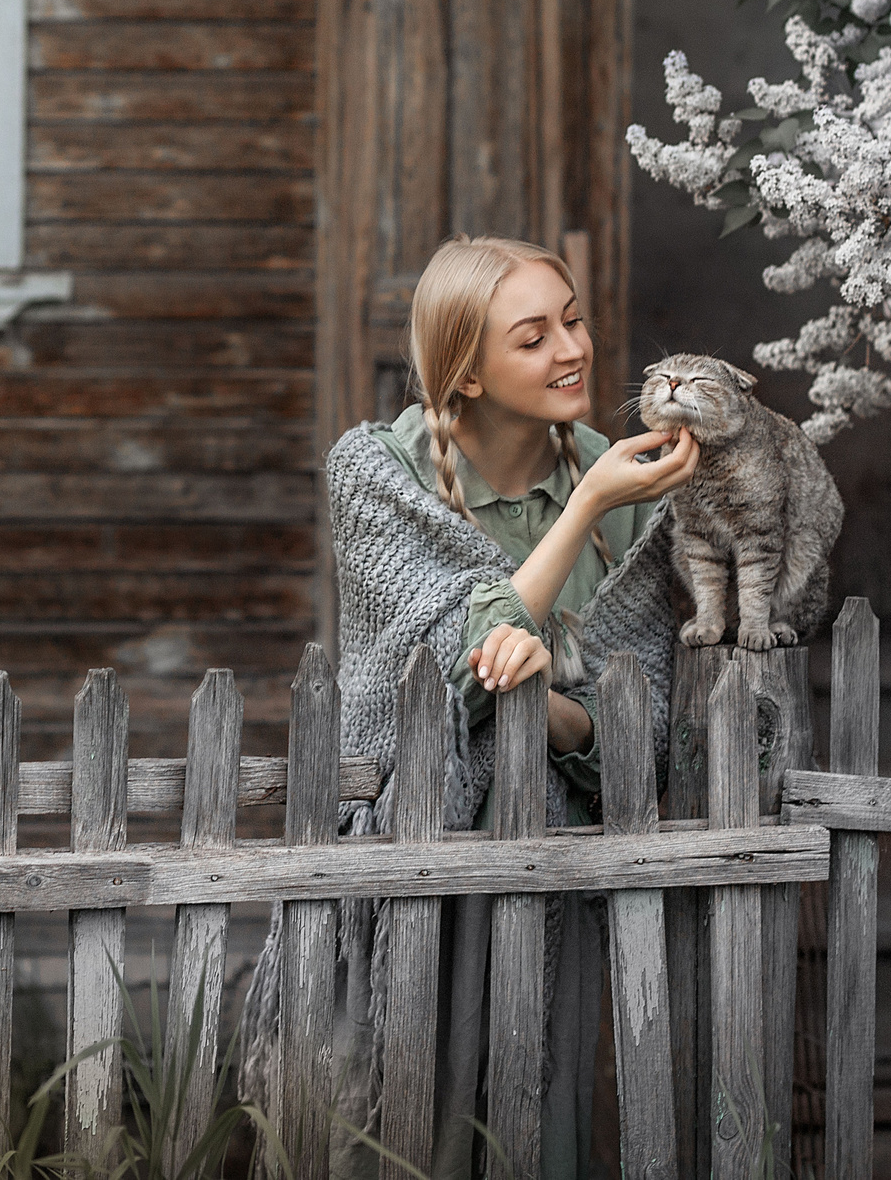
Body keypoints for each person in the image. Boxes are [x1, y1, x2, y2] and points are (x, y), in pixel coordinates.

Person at [244, 234, 694, 1179]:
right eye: (532, 337)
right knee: (386, 1122)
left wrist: (547, 704)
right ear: (469, 371)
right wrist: (582, 512)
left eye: (572, 320)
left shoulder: (631, 483)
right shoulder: (376, 472)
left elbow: (637, 736)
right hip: (403, 856)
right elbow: (446, 667)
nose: (571, 350)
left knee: (534, 1128)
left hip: (551, 867)